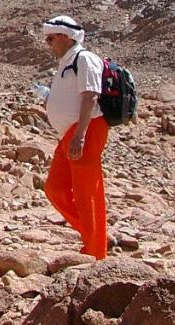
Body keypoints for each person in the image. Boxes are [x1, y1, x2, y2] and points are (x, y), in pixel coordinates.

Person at [39, 15, 109, 259]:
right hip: (70, 133)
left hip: (85, 131)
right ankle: (94, 235)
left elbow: (90, 96)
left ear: (64, 37)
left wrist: (80, 136)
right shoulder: (66, 62)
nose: (48, 44)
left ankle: (96, 252)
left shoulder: (84, 59)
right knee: (55, 188)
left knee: (85, 192)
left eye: (50, 39)